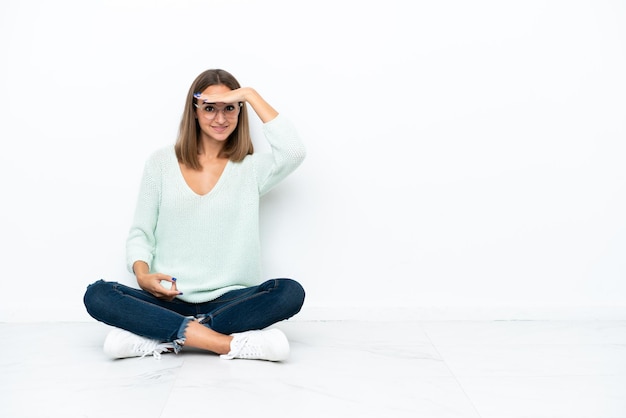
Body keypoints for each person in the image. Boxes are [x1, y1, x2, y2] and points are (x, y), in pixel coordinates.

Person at [83, 69, 306, 361]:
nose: (221, 118)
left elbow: (293, 152)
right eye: (210, 108)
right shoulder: (161, 163)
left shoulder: (251, 169)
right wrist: (142, 275)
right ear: (195, 111)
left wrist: (249, 94)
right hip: (169, 298)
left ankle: (162, 335)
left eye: (230, 107)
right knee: (97, 294)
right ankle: (225, 344)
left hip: (230, 300)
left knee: (289, 292)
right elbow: (141, 233)